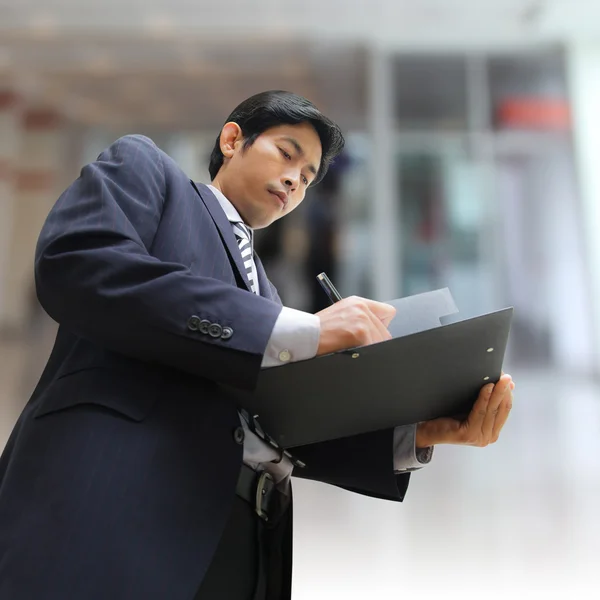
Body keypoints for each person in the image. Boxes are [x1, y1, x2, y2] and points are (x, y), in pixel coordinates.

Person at [0, 90, 514, 600]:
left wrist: (422, 432)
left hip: (244, 541)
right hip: (119, 508)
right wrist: (305, 330)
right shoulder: (149, 172)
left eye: (309, 178)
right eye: (287, 154)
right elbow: (80, 263)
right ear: (232, 140)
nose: (295, 180)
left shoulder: (265, 291)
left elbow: (278, 423)